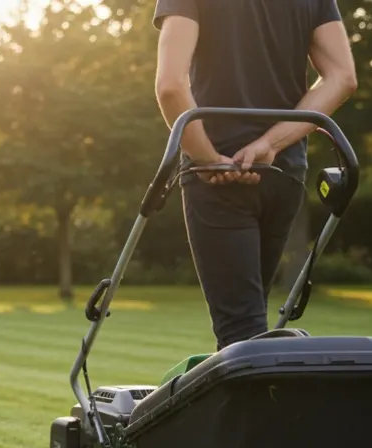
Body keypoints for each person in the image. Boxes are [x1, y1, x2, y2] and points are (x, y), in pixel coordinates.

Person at [153, 0, 358, 349]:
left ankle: (275, 403)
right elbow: (342, 77)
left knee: (240, 335)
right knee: (251, 327)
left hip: (219, 174)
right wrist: (271, 144)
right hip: (283, 173)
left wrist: (208, 159)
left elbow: (171, 86)